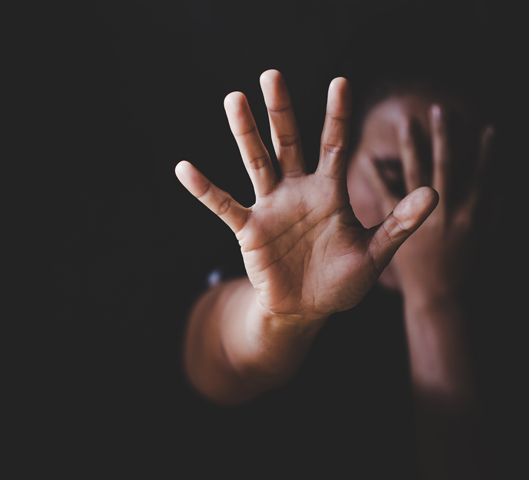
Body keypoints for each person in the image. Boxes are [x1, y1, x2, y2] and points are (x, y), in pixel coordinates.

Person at [174, 8, 504, 478]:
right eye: (394, 173)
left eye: (457, 178)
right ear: (343, 162)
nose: (427, 208)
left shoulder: (502, 298)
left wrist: (433, 298)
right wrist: (282, 318)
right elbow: (215, 358)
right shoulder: (282, 240)